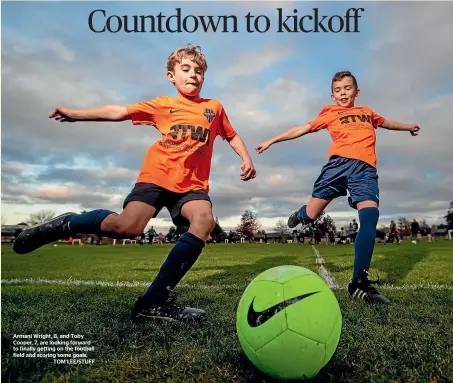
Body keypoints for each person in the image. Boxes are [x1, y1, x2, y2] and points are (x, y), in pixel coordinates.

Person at [13, 44, 257, 323]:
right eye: (186, 69)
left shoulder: (214, 108)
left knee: (204, 221)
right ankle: (68, 223)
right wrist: (76, 114)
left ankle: (153, 302)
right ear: (171, 76)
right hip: (157, 175)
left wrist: (246, 157)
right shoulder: (163, 105)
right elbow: (119, 112)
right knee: (127, 227)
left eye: (199, 71)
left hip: (192, 184)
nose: (193, 75)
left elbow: (232, 135)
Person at [256, 70, 420, 305]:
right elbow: (301, 129)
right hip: (337, 167)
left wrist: (408, 127)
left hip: (364, 170)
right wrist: (272, 140)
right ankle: (302, 213)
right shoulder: (330, 113)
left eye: (347, 88)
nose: (343, 93)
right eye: (338, 90)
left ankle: (359, 282)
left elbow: (387, 123)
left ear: (356, 91)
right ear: (332, 95)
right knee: (312, 214)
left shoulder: (367, 112)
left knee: (370, 214)